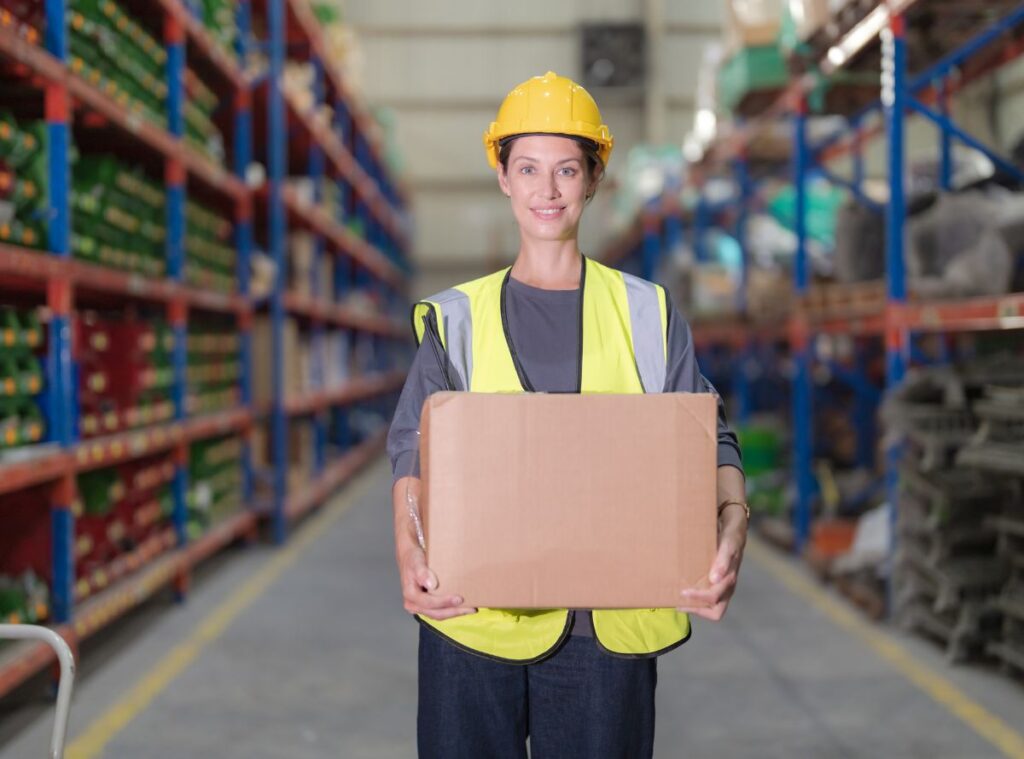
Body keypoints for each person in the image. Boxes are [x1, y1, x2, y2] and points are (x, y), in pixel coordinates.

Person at [386, 71, 748, 759]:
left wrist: (733, 527)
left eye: (565, 170)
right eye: (527, 168)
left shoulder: (647, 312)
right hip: (472, 620)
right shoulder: (457, 318)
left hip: (603, 635)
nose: (546, 191)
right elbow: (413, 449)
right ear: (502, 176)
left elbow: (707, 438)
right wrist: (409, 551)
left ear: (593, 178)